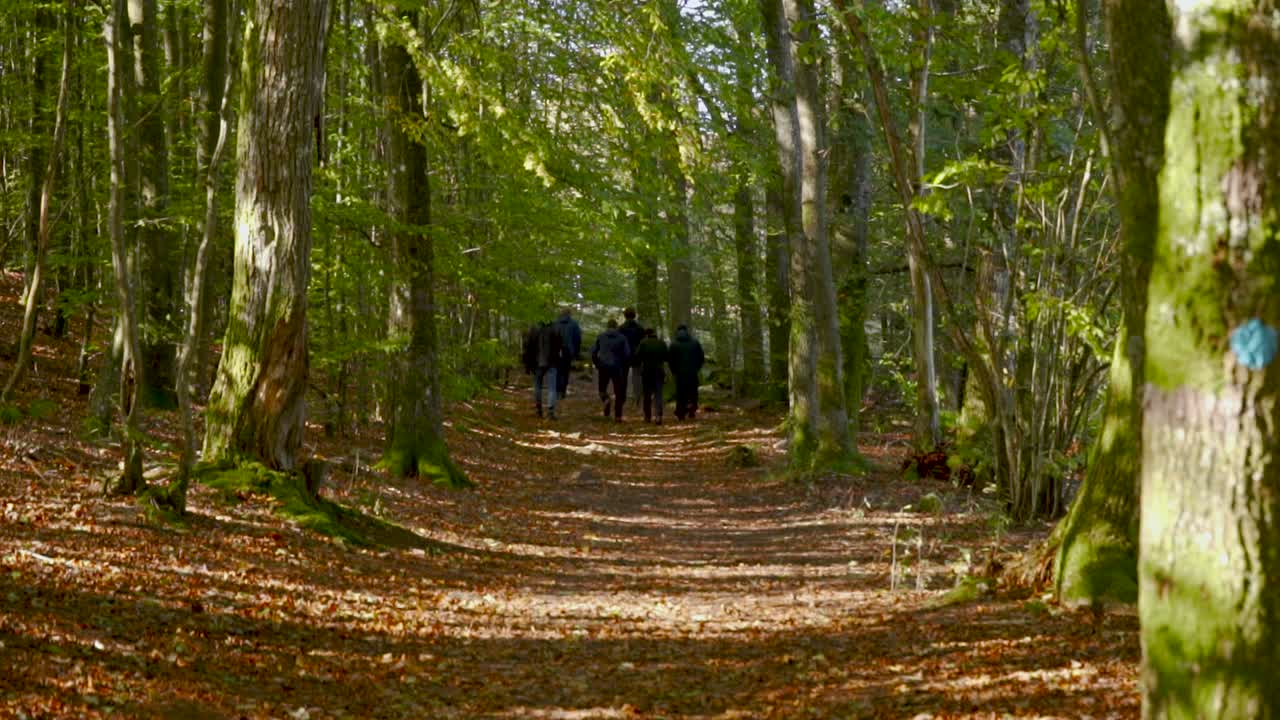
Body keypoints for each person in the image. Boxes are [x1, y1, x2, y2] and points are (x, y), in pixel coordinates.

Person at [591, 318, 631, 421]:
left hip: (603, 366)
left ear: (607, 326)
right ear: (616, 327)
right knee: (619, 392)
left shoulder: (601, 337)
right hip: (617, 367)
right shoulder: (622, 338)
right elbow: (627, 354)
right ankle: (618, 416)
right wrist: (624, 364)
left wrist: (597, 363)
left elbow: (594, 352)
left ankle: (606, 400)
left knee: (602, 389)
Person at [522, 319, 564, 419]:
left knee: (537, 386)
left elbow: (528, 347)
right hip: (552, 362)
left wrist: (527, 364)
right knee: (552, 387)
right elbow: (560, 346)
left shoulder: (534, 329)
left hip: (537, 363)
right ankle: (550, 412)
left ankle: (538, 409)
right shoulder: (555, 328)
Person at [667, 324, 705, 421]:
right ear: (687, 331)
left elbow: (670, 360)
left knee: (681, 393)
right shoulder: (695, 343)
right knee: (693, 392)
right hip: (692, 372)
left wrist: (674, 371)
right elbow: (701, 358)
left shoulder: (674, 344)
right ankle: (692, 410)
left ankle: (681, 412)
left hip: (680, 373)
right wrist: (697, 368)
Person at [634, 327, 668, 424]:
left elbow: (637, 356)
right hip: (658, 371)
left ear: (646, 335)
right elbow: (667, 357)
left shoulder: (643, 343)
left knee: (647, 395)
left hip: (647, 371)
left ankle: (647, 416)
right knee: (658, 394)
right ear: (654, 333)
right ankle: (658, 415)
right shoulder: (661, 343)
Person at [618, 308, 644, 408]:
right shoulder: (640, 328)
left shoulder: (621, 328)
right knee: (637, 377)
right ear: (634, 315)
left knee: (623, 377)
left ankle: (622, 398)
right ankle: (637, 398)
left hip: (624, 356)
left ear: (625, 316)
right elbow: (642, 343)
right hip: (637, 355)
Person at [552, 307, 582, 398]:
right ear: (569, 314)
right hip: (568, 351)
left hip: (556, 351)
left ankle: (557, 390)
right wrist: (576, 352)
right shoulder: (574, 324)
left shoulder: (555, 323)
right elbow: (578, 339)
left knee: (557, 370)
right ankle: (563, 391)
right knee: (565, 371)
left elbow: (551, 337)